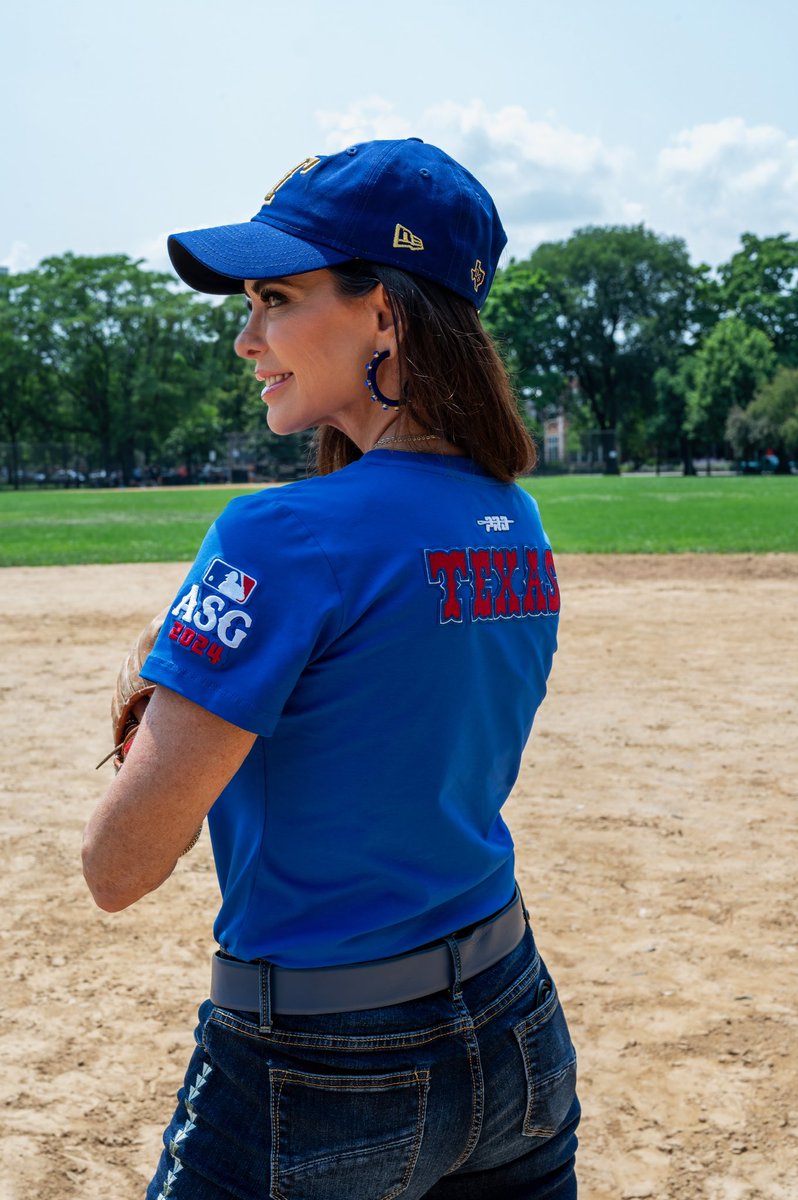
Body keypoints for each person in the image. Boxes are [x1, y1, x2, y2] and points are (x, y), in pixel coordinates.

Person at [82, 137, 580, 1199]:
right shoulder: (516, 518)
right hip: (517, 1027)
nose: (244, 337)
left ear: (387, 316)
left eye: (273, 298)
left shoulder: (281, 537)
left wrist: (167, 686)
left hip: (319, 1061)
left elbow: (118, 868)